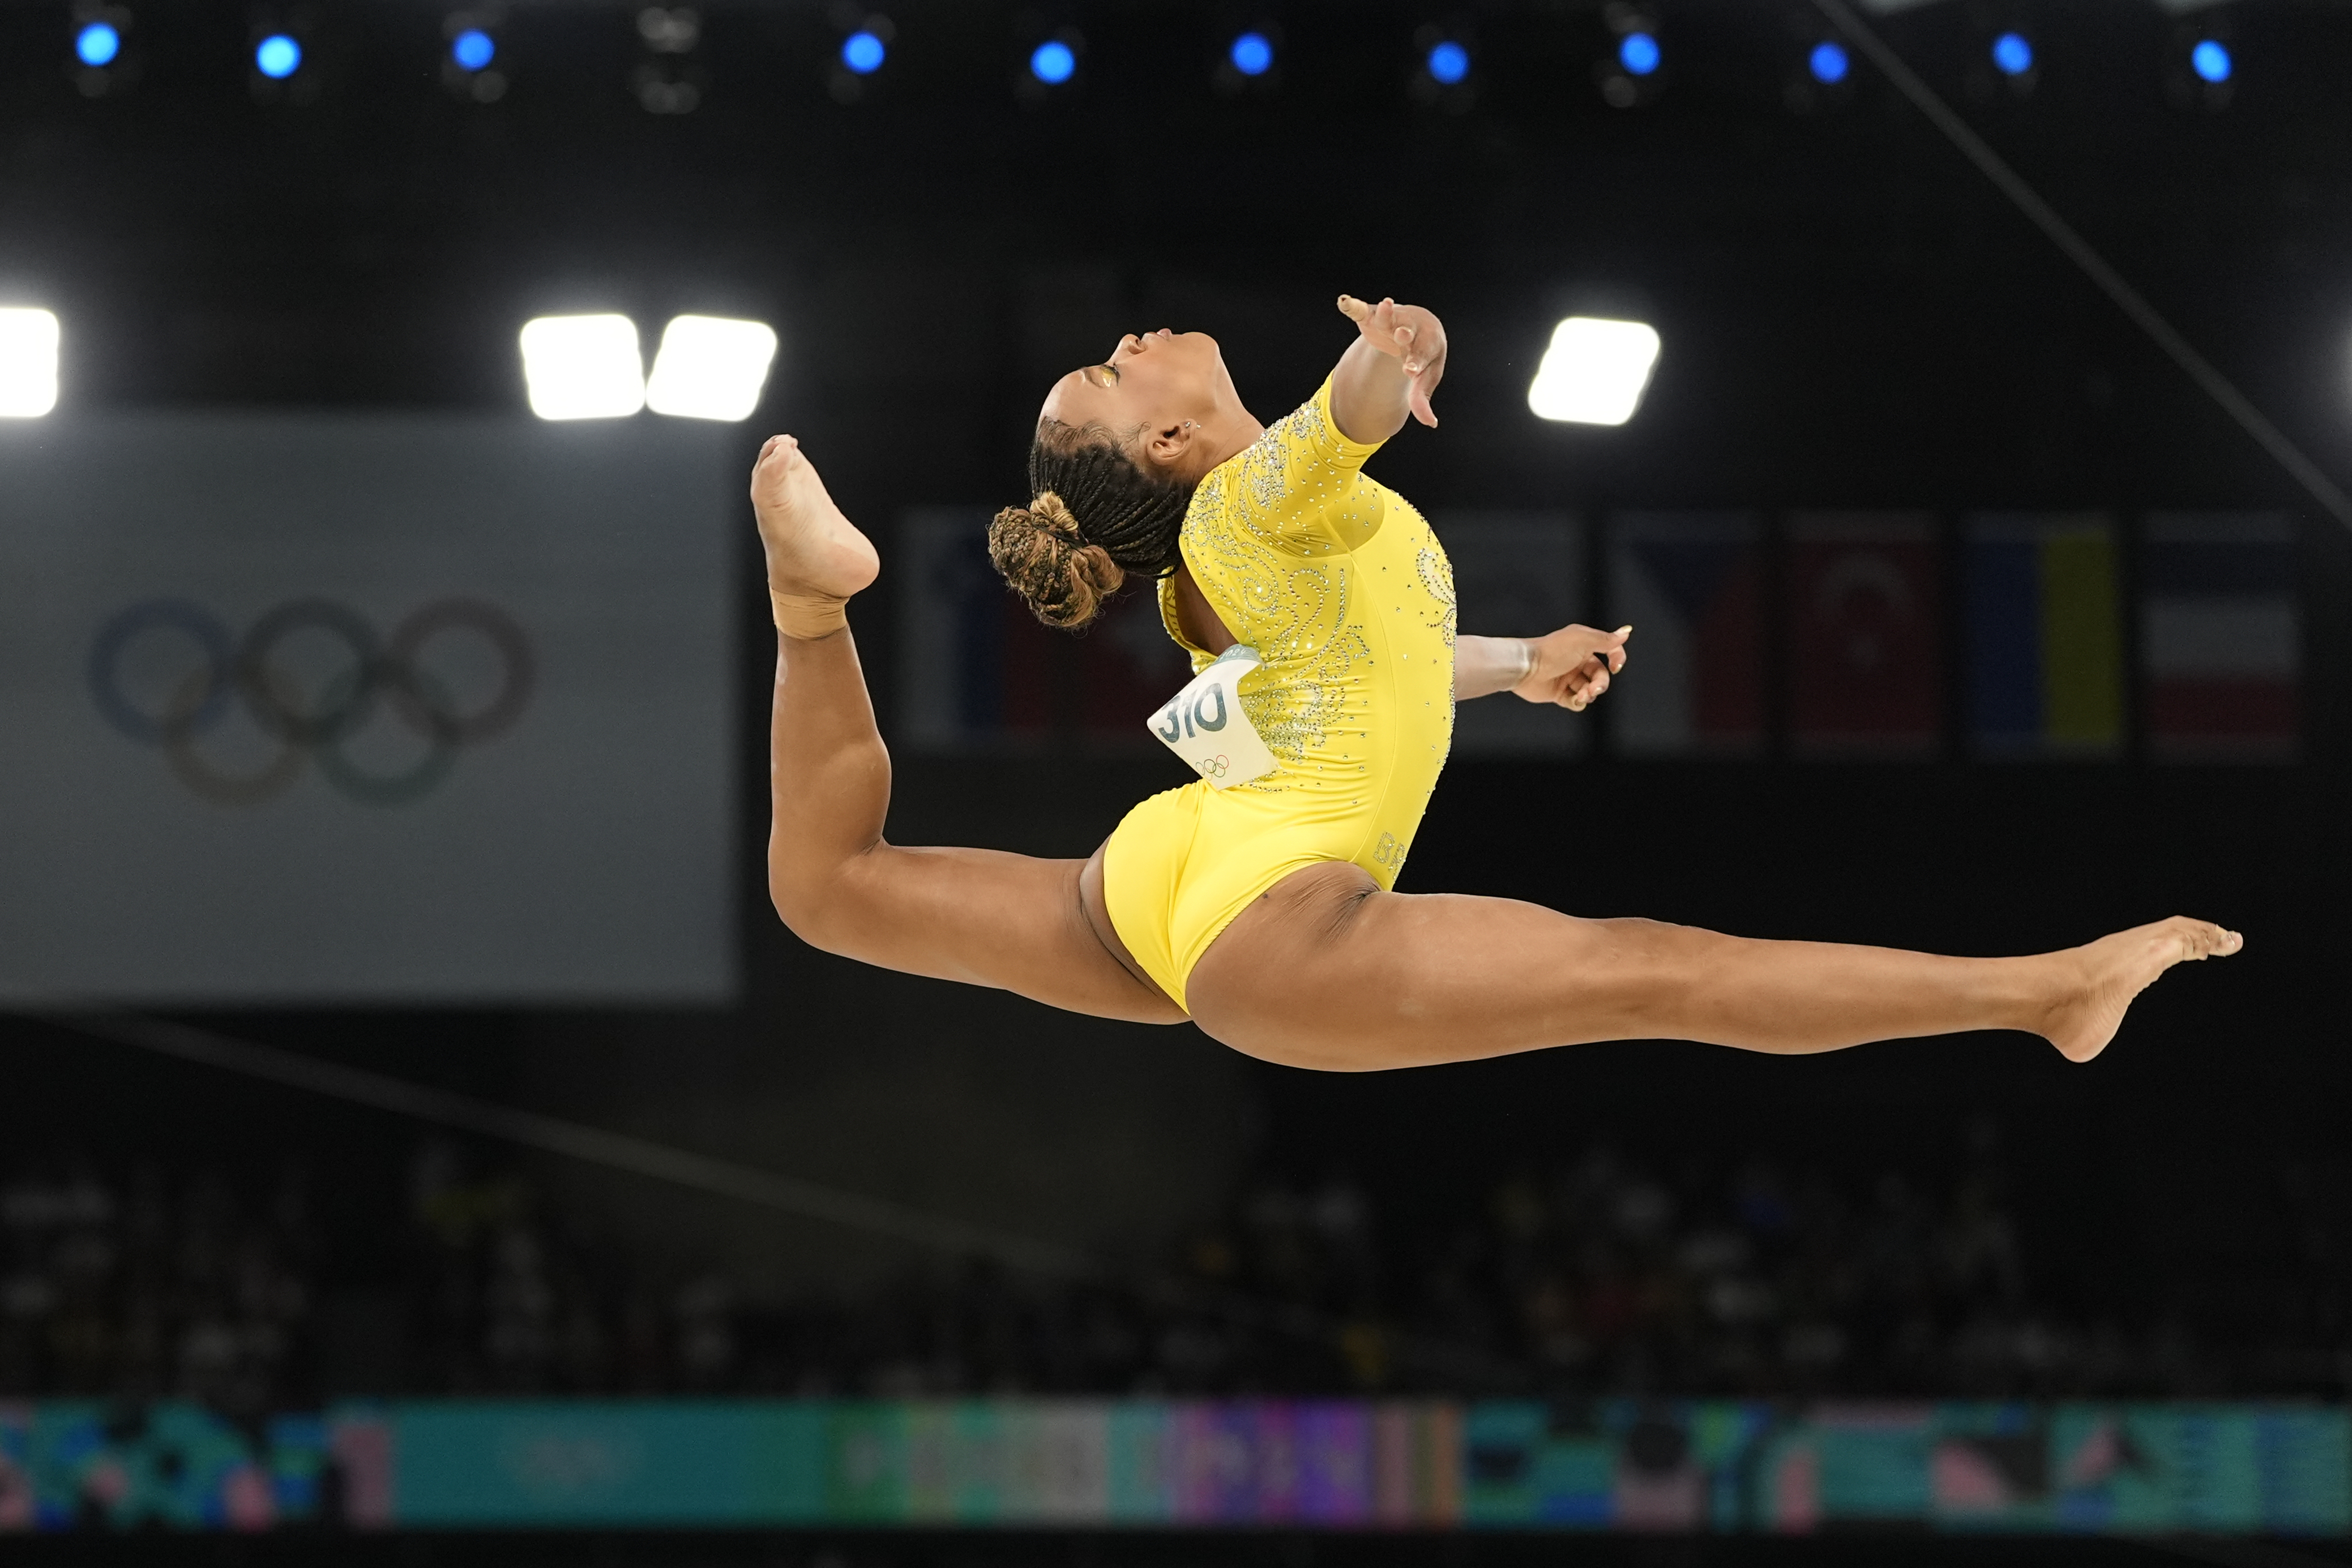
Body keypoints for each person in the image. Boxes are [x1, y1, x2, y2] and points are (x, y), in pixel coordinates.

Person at [752, 293, 2239, 1072]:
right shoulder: (1241, 507)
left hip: (1172, 871)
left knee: (832, 886)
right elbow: (1335, 427)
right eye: (1111, 371)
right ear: (1160, 448)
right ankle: (2045, 991)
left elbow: (1355, 678)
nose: (1131, 343)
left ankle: (808, 604)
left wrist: (1520, 664)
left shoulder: (1210, 577)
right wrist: (1391, 361)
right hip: (1263, 915)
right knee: (1658, 973)